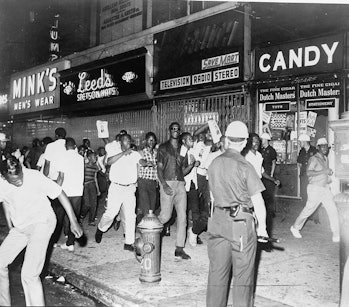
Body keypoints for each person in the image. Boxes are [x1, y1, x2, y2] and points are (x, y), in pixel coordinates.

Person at [0, 156, 83, 306]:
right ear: (4, 177)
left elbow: (60, 193)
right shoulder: (2, 183)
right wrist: (10, 225)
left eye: (20, 178)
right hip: (21, 227)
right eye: (14, 181)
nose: (19, 182)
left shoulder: (34, 176)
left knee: (29, 274)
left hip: (42, 222)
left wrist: (73, 221)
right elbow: (5, 200)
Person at [206, 120, 268, 307]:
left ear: (226, 140)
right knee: (243, 276)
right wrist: (262, 228)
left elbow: (212, 194)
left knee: (217, 273)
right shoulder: (245, 166)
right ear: (244, 142)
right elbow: (258, 200)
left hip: (217, 220)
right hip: (239, 224)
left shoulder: (214, 163)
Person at [95, 134, 145, 252]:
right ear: (120, 143)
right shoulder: (115, 151)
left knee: (130, 216)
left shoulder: (134, 154)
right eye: (126, 141)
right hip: (116, 188)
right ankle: (101, 228)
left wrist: (146, 162)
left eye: (129, 141)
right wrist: (123, 153)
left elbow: (141, 161)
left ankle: (129, 242)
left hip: (129, 188)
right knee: (111, 213)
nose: (128, 143)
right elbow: (109, 162)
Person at [290, 138, 339, 242]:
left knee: (333, 210)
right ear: (318, 148)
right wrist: (324, 171)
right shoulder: (314, 158)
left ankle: (336, 233)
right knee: (308, 210)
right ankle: (295, 227)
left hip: (324, 188)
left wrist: (327, 178)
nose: (325, 148)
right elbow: (309, 173)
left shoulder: (325, 158)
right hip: (315, 188)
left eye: (326, 146)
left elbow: (323, 173)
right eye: (322, 146)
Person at [157, 122, 190, 260]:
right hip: (168, 183)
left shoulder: (183, 149)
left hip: (180, 184)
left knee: (183, 217)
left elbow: (183, 170)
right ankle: (148, 231)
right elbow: (159, 169)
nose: (175, 131)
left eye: (178, 129)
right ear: (169, 131)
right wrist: (163, 184)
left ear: (180, 131)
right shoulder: (163, 148)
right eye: (173, 129)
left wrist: (193, 165)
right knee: (165, 216)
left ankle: (179, 248)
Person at [244, 133, 280, 249]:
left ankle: (261, 233)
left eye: (258, 142)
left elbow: (262, 172)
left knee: (260, 208)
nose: (257, 144)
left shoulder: (259, 155)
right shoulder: (245, 155)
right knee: (254, 210)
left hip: (257, 184)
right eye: (254, 141)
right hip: (247, 184)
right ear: (249, 142)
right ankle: (254, 233)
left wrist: (273, 179)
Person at [57, 137, 84, 252]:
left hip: (65, 191)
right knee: (74, 217)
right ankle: (70, 243)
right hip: (78, 191)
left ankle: (55, 240)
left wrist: (55, 190)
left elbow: (61, 177)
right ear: (75, 146)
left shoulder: (62, 157)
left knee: (60, 217)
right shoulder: (80, 158)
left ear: (65, 147)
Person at [181, 132, 201, 247]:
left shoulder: (192, 151)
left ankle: (194, 233)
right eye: (189, 139)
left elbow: (196, 162)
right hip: (184, 184)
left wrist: (197, 163)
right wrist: (193, 164)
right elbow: (182, 169)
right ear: (184, 141)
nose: (192, 141)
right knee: (182, 211)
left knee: (195, 210)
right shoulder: (181, 151)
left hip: (193, 183)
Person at [297, 134, 319, 223]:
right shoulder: (301, 151)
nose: (299, 143)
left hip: (313, 177)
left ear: (304, 141)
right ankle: (306, 216)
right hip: (304, 176)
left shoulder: (314, 150)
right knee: (304, 195)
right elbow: (299, 163)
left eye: (300, 142)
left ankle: (315, 217)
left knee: (314, 196)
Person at [137, 132, 158, 223]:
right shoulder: (141, 153)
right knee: (146, 206)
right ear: (146, 141)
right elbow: (140, 163)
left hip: (153, 183)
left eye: (153, 140)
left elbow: (157, 168)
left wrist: (157, 180)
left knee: (152, 207)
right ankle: (146, 230)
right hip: (143, 182)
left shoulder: (156, 153)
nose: (151, 142)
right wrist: (146, 163)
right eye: (150, 140)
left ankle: (142, 223)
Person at [260, 132, 278, 219]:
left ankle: (271, 212)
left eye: (262, 139)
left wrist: (271, 175)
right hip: (262, 173)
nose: (261, 141)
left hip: (268, 172)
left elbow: (274, 163)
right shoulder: (261, 150)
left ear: (266, 140)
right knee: (264, 193)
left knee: (270, 194)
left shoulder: (271, 150)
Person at [80, 150, 100, 226]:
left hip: (92, 185)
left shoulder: (96, 167)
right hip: (85, 185)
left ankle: (91, 220)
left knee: (94, 203)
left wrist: (98, 190)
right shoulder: (84, 166)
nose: (95, 158)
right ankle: (81, 215)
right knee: (87, 204)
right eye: (94, 157)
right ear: (89, 158)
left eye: (96, 157)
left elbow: (95, 178)